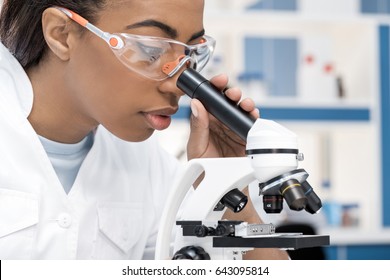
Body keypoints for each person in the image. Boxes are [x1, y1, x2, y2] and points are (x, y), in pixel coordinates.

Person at [0, 0, 289, 260]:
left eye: (190, 56)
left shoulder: (147, 166)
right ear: (61, 34)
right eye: (151, 50)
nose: (177, 84)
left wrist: (227, 186)